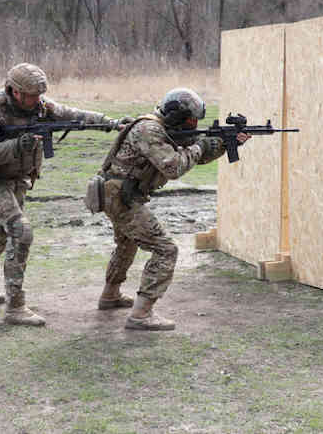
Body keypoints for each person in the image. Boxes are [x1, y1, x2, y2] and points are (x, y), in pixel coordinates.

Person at [0, 63, 132, 326]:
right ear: (16, 91)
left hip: (18, 181)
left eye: (40, 94)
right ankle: (15, 307)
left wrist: (111, 124)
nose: (37, 100)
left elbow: (74, 115)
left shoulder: (41, 107)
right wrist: (17, 146)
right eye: (32, 95)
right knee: (21, 232)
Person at [95, 87, 250, 331]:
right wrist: (199, 146)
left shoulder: (164, 129)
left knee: (127, 243)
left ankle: (110, 295)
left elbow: (195, 154)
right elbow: (173, 166)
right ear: (177, 116)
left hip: (117, 193)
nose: (193, 124)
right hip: (119, 197)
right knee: (166, 249)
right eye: (190, 119)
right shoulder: (149, 130)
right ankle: (142, 314)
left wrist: (223, 143)